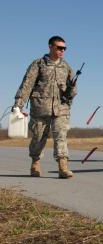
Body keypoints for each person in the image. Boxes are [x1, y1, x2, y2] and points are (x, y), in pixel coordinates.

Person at [13, 35, 77, 178]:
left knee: (61, 136)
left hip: (60, 109)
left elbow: (73, 87)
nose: (62, 51)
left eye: (64, 48)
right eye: (59, 47)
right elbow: (26, 85)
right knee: (38, 137)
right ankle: (35, 163)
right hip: (40, 108)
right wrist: (18, 104)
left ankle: (63, 167)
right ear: (50, 46)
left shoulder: (66, 66)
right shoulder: (38, 64)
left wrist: (70, 96)